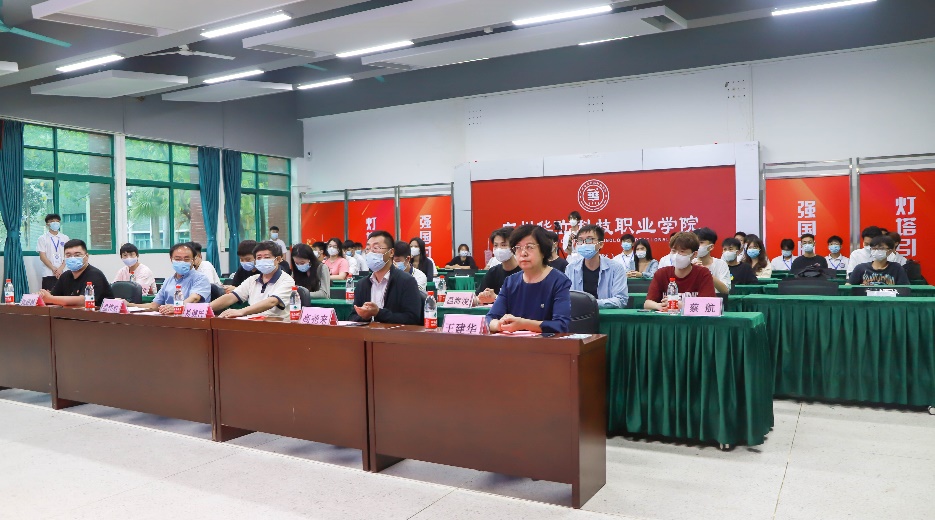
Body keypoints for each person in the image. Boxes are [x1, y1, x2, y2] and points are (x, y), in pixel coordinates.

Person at [487, 225, 571, 333]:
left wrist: (524, 324)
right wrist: (498, 325)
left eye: (529, 247)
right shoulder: (510, 282)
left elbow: (561, 325)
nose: (523, 253)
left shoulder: (559, 281)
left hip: (546, 342)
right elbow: (490, 318)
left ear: (543, 251)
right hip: (514, 342)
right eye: (518, 248)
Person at [349, 231, 422, 325]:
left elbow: (412, 318)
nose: (370, 253)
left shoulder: (406, 281)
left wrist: (378, 313)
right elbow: (352, 317)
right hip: (367, 333)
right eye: (367, 249)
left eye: (376, 248)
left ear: (391, 252)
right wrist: (364, 316)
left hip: (394, 334)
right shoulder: (362, 284)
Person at [212, 241, 296, 319]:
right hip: (252, 322)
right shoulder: (252, 279)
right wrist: (206, 308)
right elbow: (231, 297)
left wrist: (241, 311)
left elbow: (272, 301)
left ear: (278, 259)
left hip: (277, 324)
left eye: (267, 257)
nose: (262, 260)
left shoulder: (286, 280)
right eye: (259, 258)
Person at [130, 243, 211, 315]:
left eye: (186, 259)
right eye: (178, 259)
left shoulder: (200, 278)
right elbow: (154, 305)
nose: (182, 262)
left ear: (193, 260)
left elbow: (194, 299)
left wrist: (177, 307)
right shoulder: (168, 280)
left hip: (192, 321)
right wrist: (129, 305)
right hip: (169, 320)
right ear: (171, 259)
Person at [643, 232, 716, 311]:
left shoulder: (703, 274)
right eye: (674, 251)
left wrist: (683, 305)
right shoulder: (661, 273)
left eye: (682, 251)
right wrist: (659, 306)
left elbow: (709, 304)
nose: (677, 255)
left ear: (694, 254)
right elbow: (647, 303)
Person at [564, 224, 628, 308]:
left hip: (606, 315)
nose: (584, 244)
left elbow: (621, 300)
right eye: (580, 240)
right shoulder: (570, 268)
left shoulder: (616, 268)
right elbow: (565, 298)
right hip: (578, 315)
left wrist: (590, 303)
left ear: (600, 244)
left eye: (589, 239)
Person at [39, 239, 113, 307]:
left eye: (77, 255)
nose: (72, 258)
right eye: (68, 255)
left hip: (99, 316)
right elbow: (53, 296)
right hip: (72, 314)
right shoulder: (65, 275)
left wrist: (50, 298)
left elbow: (83, 301)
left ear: (86, 256)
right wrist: (42, 295)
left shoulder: (95, 275)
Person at [475, 227, 521, 305]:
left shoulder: (524, 272)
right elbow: (478, 296)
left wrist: (496, 298)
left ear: (514, 247)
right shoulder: (493, 272)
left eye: (503, 245)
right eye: (496, 245)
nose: (499, 249)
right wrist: (480, 298)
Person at [692, 227, 731, 294]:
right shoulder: (689, 263)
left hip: (714, 299)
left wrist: (706, 273)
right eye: (695, 243)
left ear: (711, 247)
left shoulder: (721, 264)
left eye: (701, 242)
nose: (697, 246)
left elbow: (725, 290)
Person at [37, 213, 70, 291]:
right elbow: (42, 256)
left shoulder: (65, 238)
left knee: (65, 295)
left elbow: (68, 255)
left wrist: (60, 269)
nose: (55, 223)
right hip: (48, 272)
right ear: (47, 224)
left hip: (63, 271)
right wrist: (54, 269)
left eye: (57, 221)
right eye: (52, 221)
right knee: (48, 295)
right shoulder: (42, 238)